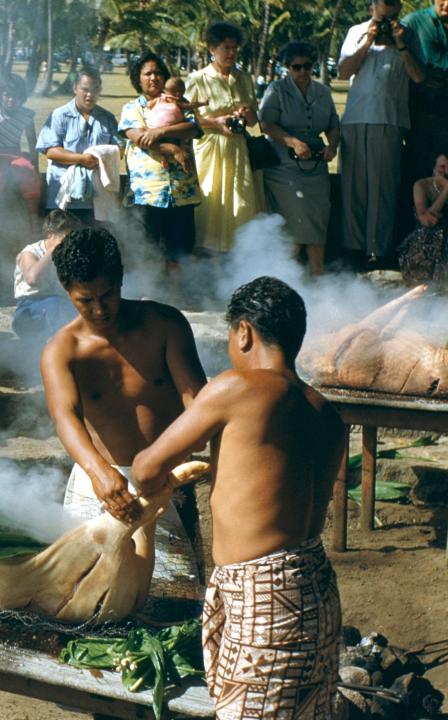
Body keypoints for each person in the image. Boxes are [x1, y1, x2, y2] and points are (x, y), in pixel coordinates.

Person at [132, 276, 344, 720]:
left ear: (243, 332)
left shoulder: (237, 387)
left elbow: (146, 468)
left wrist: (163, 483)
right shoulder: (327, 413)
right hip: (315, 588)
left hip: (265, 597)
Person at [40, 227, 208, 610]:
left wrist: (165, 461)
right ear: (67, 291)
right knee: (88, 602)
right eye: (86, 300)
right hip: (95, 481)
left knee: (174, 607)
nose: (100, 310)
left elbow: (196, 400)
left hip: (167, 479)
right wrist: (100, 473)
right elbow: (64, 416)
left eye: (107, 295)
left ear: (120, 280)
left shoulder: (165, 324)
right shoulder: (62, 350)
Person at [338, 0, 425, 266]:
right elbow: (343, 71)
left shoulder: (409, 36)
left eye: (392, 5)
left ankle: (378, 249)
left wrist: (400, 45)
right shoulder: (356, 31)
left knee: (382, 186)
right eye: (382, 5)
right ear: (371, 7)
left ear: (399, 8)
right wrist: (368, 41)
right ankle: (353, 246)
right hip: (356, 116)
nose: (387, 10)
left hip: (389, 119)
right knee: (353, 186)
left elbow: (418, 76)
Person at [259, 41, 341, 276]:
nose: (303, 72)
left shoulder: (323, 92)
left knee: (318, 216)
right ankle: (287, 276)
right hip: (283, 164)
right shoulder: (276, 89)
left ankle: (318, 273)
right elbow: (266, 124)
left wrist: (332, 146)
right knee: (295, 217)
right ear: (288, 67)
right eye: (297, 67)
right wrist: (293, 142)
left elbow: (334, 125)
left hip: (315, 165)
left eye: (307, 66)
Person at [119, 52, 204, 274]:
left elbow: (193, 128)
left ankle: (175, 297)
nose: (154, 78)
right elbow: (140, 138)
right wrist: (174, 148)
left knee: (180, 250)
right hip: (147, 192)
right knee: (146, 249)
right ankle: (149, 295)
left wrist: (160, 131)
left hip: (181, 190)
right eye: (148, 73)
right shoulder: (133, 108)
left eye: (158, 73)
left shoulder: (180, 104)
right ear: (138, 79)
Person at [187, 21, 262, 253]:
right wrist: (215, 123)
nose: (231, 53)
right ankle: (206, 260)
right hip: (209, 150)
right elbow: (185, 120)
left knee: (241, 205)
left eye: (235, 48)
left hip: (238, 148)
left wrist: (245, 113)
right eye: (226, 48)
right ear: (212, 49)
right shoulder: (198, 79)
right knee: (210, 205)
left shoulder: (244, 78)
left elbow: (253, 121)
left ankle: (237, 258)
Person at [36, 66, 124, 225]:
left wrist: (101, 155)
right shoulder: (59, 115)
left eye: (95, 89)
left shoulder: (107, 118)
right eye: (85, 89)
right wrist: (82, 159)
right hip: (64, 195)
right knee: (62, 243)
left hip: (97, 198)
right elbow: (51, 151)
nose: (90, 94)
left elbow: (121, 149)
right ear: (75, 88)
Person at [0, 74, 40, 234]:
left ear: (22, 97)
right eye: (8, 95)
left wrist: (36, 166)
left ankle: (33, 218)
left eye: (16, 96)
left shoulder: (26, 115)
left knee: (29, 174)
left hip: (14, 152)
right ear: (0, 95)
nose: (12, 100)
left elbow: (32, 142)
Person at [12, 209, 81, 347]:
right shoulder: (30, 252)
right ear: (50, 235)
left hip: (59, 306)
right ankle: (56, 352)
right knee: (56, 306)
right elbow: (32, 279)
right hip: (28, 310)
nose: (69, 242)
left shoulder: (69, 253)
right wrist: (52, 251)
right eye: (65, 237)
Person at [402, 0, 448, 191]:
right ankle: (417, 219)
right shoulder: (414, 21)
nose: (445, 3)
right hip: (421, 113)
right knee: (418, 171)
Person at [399, 147, 448, 284]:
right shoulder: (422, 185)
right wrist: (446, 192)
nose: (446, 171)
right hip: (427, 242)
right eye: (442, 167)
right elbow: (427, 220)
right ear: (433, 168)